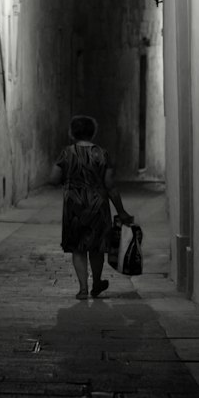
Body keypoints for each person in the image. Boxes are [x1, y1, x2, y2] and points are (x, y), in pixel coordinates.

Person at [55, 115, 131, 298]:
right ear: (92, 132)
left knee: (78, 248)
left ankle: (82, 289)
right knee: (96, 248)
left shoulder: (66, 153)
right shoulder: (101, 154)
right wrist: (121, 211)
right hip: (98, 206)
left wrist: (69, 181)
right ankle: (96, 283)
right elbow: (110, 186)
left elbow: (53, 177)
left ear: (72, 132)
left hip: (74, 207)